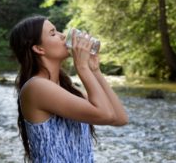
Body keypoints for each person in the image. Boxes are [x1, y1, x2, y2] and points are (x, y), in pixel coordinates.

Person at [9, 15, 128, 162]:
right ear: (39, 49)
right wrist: (82, 67)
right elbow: (105, 115)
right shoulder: (37, 87)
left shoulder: (65, 88)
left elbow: (119, 118)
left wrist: (95, 70)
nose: (63, 36)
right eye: (53, 33)